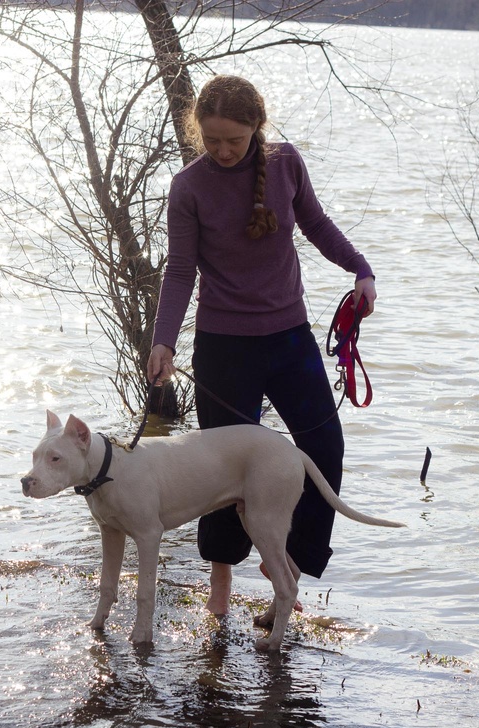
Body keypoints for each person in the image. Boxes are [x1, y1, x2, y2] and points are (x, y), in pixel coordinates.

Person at [146, 75, 378, 615]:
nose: (223, 150)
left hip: (289, 338)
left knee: (324, 448)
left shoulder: (286, 163)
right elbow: (179, 271)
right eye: (212, 140)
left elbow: (316, 223)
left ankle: (286, 564)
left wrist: (360, 269)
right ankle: (221, 585)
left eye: (234, 139)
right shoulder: (189, 187)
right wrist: (164, 342)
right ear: (197, 132)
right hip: (224, 347)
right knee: (220, 471)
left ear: (257, 127)